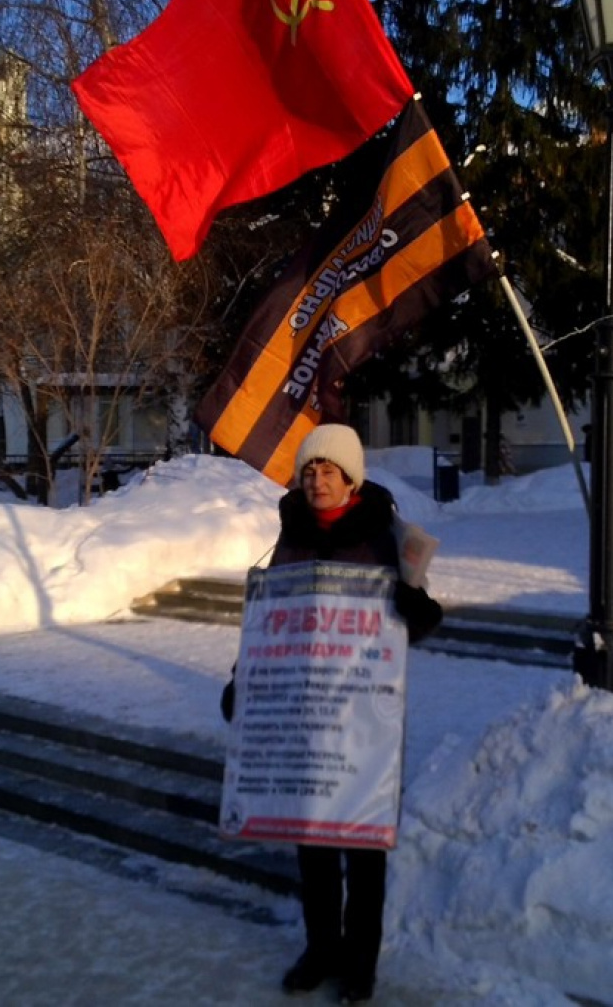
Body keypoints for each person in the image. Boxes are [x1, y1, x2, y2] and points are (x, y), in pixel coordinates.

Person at [221, 423, 442, 1004]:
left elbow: (418, 625)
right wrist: (241, 685)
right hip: (304, 718)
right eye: (310, 471)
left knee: (364, 850)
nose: (318, 481)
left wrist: (413, 604)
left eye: (329, 471)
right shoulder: (288, 539)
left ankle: (360, 963)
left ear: (351, 478)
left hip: (365, 720)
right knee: (312, 844)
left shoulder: (383, 537)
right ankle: (321, 949)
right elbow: (270, 630)